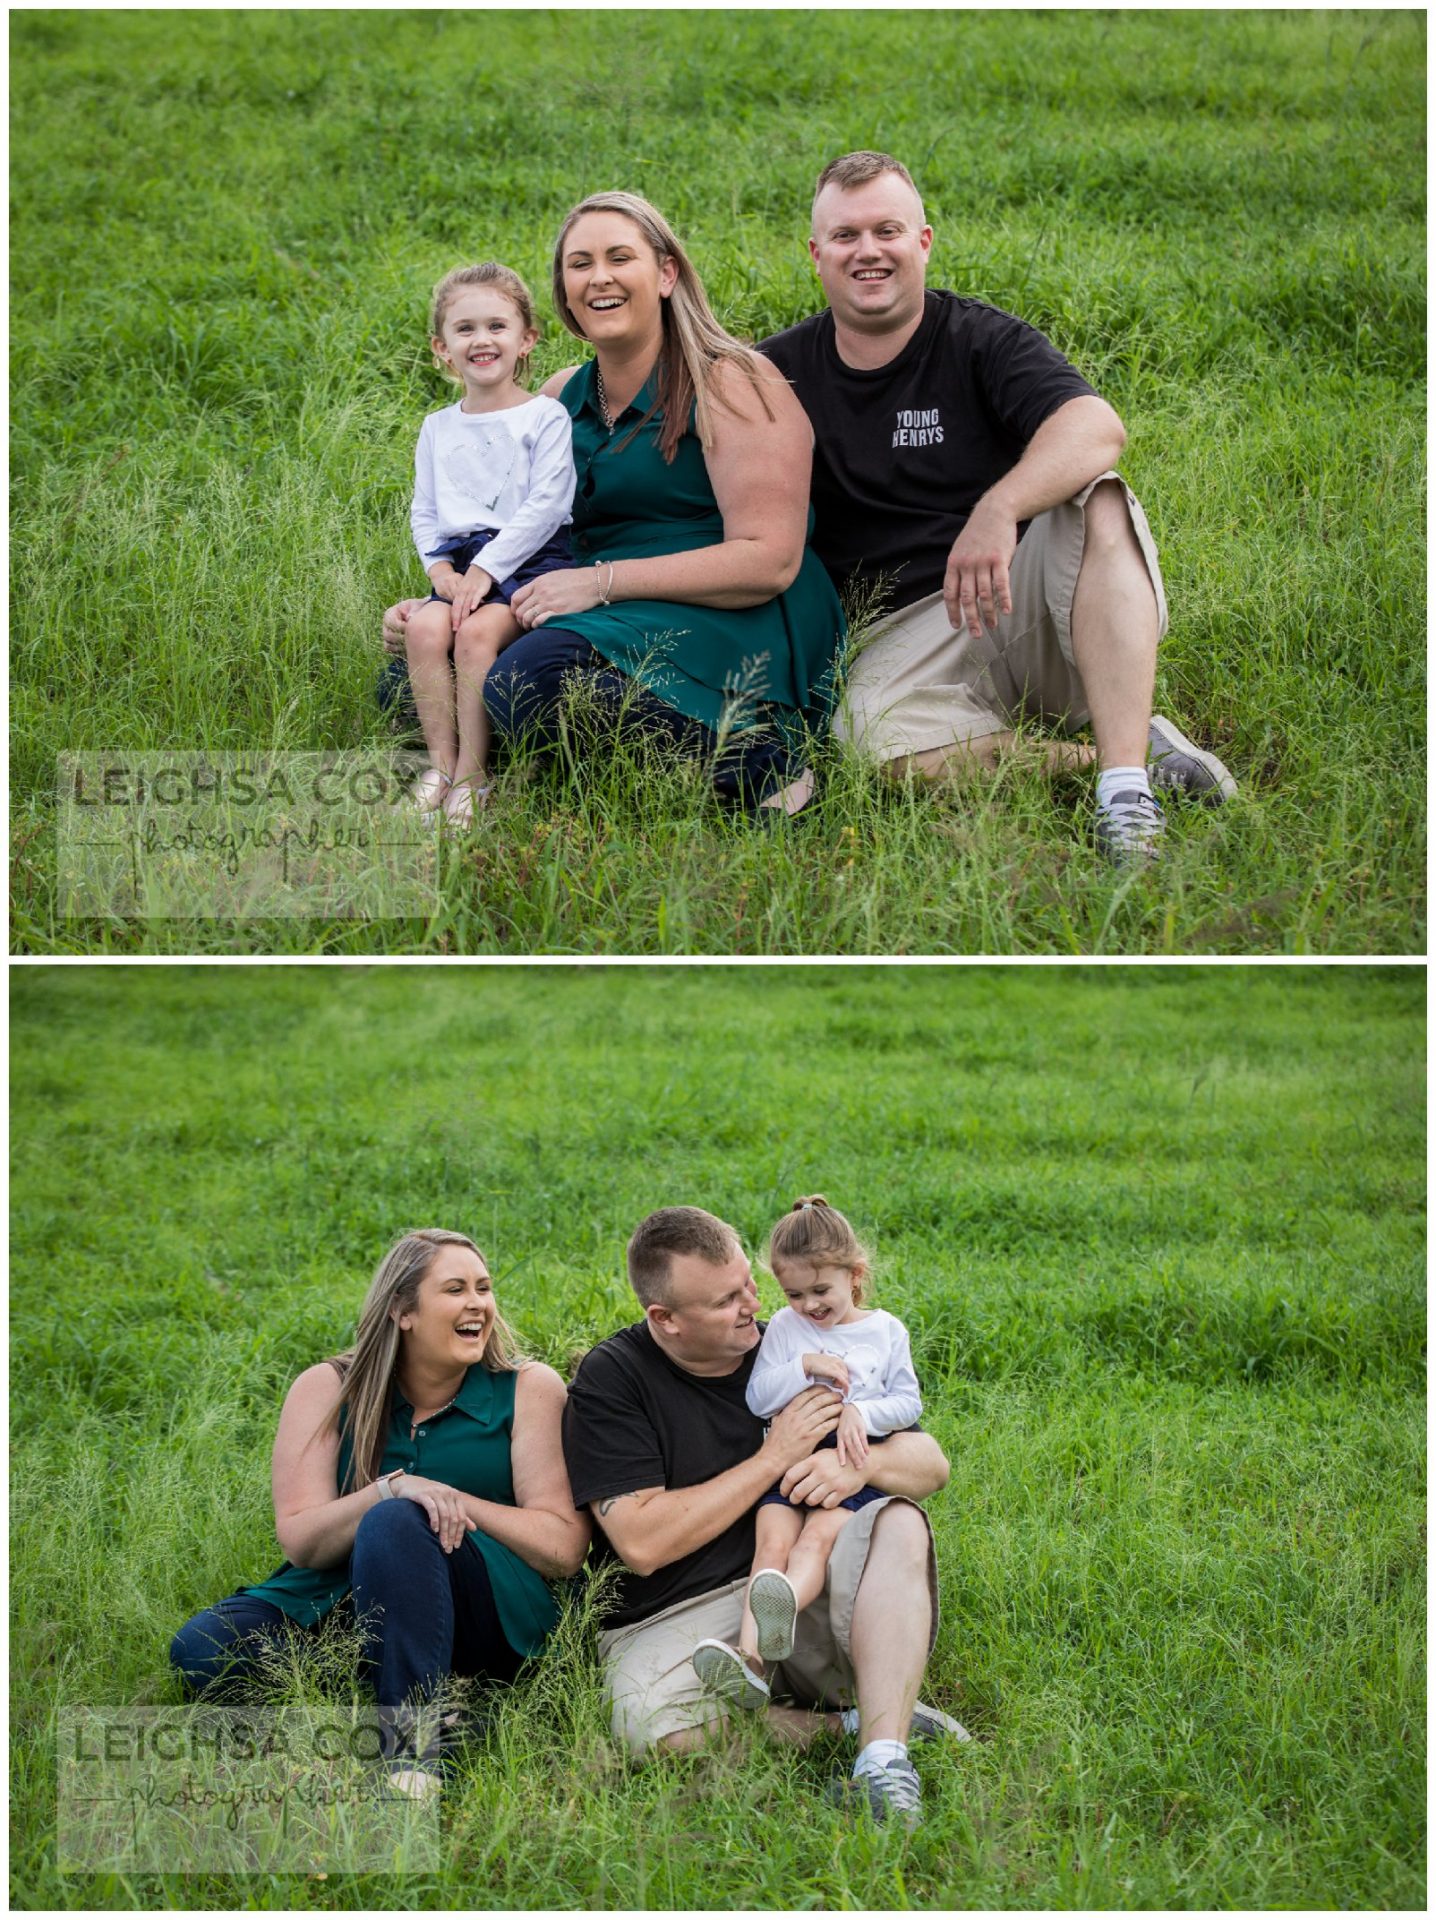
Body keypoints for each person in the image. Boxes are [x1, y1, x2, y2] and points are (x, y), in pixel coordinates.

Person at [760, 151, 1238, 861]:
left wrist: (999, 507)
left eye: (887, 231)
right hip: (897, 636)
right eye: (846, 236)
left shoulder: (979, 338)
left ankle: (1126, 798)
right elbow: (676, 405)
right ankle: (1126, 759)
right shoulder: (778, 370)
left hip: (1016, 599)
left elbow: (1097, 427)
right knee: (871, 750)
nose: (869, 252)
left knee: (1098, 499)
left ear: (923, 241)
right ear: (816, 253)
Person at [383, 192, 844, 821]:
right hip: (600, 602)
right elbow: (523, 533)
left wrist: (600, 583)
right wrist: (453, 599)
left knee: (520, 684)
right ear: (565, 294)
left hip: (724, 607)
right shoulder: (555, 399)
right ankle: (548, 747)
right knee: (413, 681)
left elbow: (769, 562)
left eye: (619, 257)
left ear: (665, 274)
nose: (599, 277)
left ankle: (759, 762)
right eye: (580, 264)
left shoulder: (732, 380)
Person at [562, 1205, 965, 1828]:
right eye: (726, 1300)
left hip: (806, 1593)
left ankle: (885, 1763)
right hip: (675, 1612)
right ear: (664, 1319)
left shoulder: (793, 1336)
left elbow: (931, 1463)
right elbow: (640, 1542)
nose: (753, 1304)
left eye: (749, 1283)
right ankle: (843, 1726)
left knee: (898, 1520)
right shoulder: (614, 1379)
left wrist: (862, 1466)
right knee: (648, 1728)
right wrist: (773, 1455)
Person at [169, 1230, 589, 1793]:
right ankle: (432, 1695)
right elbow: (301, 1540)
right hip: (345, 1596)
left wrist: (450, 1502)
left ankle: (411, 1758)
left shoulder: (527, 1388)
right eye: (456, 1289)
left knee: (398, 1522)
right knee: (200, 1652)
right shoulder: (329, 1388)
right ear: (403, 1310)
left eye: (484, 1289)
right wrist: (390, 1490)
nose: (477, 1304)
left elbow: (563, 1549)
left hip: (487, 1603)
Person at [690, 1196, 923, 1713]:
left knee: (813, 1542)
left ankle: (787, 1603)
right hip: (789, 1460)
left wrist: (863, 1412)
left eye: (821, 1290)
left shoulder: (885, 1331)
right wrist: (803, 1364)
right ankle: (750, 1661)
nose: (809, 1305)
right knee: (769, 1547)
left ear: (854, 1275)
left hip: (852, 1465)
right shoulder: (787, 1329)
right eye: (794, 1293)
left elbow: (909, 1402)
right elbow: (758, 1398)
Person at [404, 263, 576, 826]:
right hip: (460, 562)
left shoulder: (543, 416)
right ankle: (441, 765)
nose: (482, 340)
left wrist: (485, 571)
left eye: (498, 326)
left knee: (477, 633)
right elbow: (425, 509)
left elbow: (548, 506)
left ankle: (477, 775)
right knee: (425, 628)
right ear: (442, 347)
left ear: (527, 339)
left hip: (531, 555)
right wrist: (439, 572)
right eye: (465, 329)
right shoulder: (437, 426)